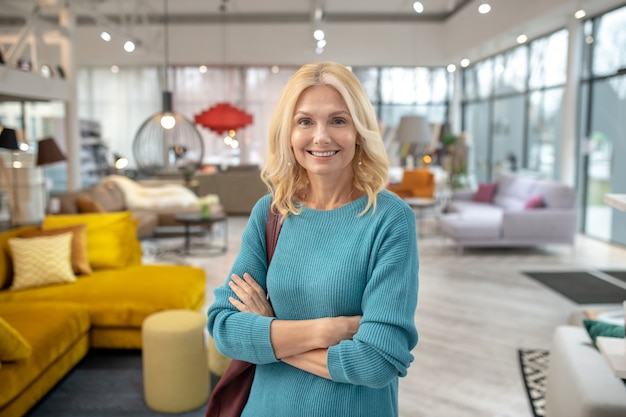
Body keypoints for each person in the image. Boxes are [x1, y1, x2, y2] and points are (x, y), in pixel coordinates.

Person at [206, 61, 419, 417]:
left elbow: (378, 360)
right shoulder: (271, 212)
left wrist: (269, 330)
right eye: (305, 121)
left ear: (359, 131)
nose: (321, 136)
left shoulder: (389, 219)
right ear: (288, 133)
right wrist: (329, 330)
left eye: (338, 120)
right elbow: (225, 328)